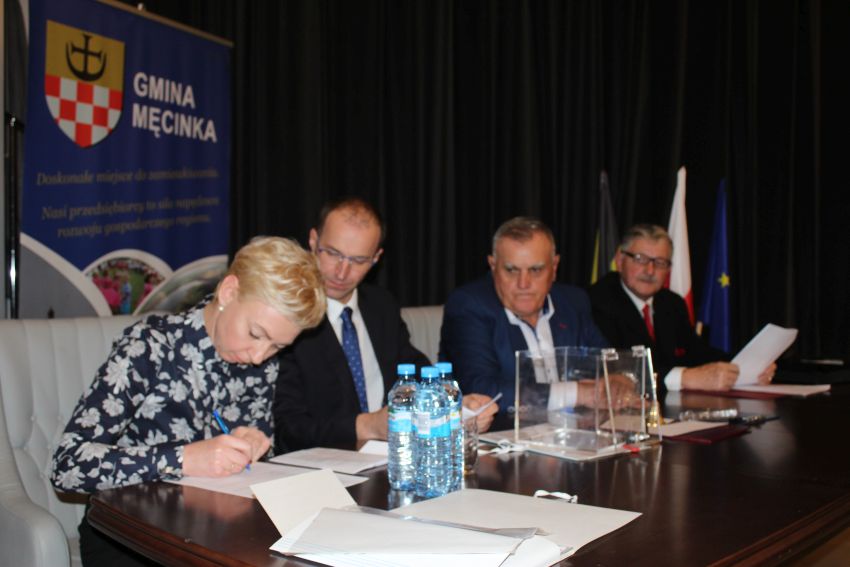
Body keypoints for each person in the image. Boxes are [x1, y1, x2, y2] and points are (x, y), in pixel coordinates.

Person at [50, 236, 326, 566]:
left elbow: (252, 452)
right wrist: (184, 459)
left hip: (215, 532)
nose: (259, 356)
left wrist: (254, 444)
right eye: (256, 334)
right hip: (129, 535)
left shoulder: (262, 362)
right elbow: (67, 465)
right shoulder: (150, 345)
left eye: (277, 347)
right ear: (228, 292)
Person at [274, 197, 497, 451]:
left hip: (390, 457)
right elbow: (287, 429)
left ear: (376, 257)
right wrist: (367, 425)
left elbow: (415, 369)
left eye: (359, 260)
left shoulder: (380, 305)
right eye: (333, 254)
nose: (342, 272)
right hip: (321, 464)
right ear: (313, 241)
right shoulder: (287, 317)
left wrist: (454, 403)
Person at [440, 216, 616, 430]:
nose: (523, 283)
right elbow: (482, 389)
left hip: (576, 432)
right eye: (511, 270)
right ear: (493, 266)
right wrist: (577, 393)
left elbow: (607, 362)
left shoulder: (573, 302)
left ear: (554, 267)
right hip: (506, 439)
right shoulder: (468, 305)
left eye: (536, 270)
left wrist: (619, 380)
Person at [588, 224, 775, 393]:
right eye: (641, 259)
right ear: (620, 260)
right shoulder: (596, 302)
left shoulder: (671, 303)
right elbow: (618, 370)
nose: (650, 271)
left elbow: (697, 352)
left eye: (660, 263)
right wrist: (685, 378)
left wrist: (744, 367)